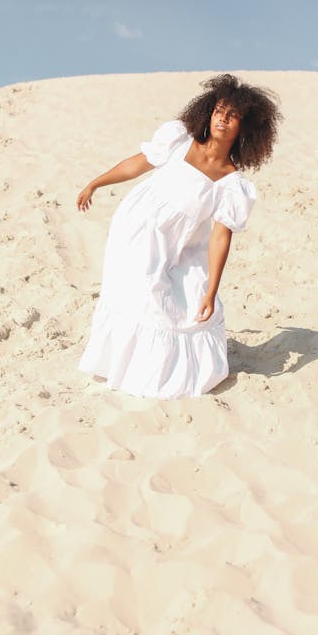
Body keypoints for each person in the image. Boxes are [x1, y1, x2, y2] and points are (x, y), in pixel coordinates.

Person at [76, 73, 281, 399]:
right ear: (209, 111)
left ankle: (153, 373)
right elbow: (137, 165)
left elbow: (219, 237)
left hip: (176, 245)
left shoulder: (231, 184)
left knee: (175, 303)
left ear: (245, 127)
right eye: (219, 112)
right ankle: (122, 367)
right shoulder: (179, 141)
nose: (223, 120)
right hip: (135, 229)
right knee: (140, 294)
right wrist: (95, 183)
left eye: (232, 117)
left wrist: (212, 291)